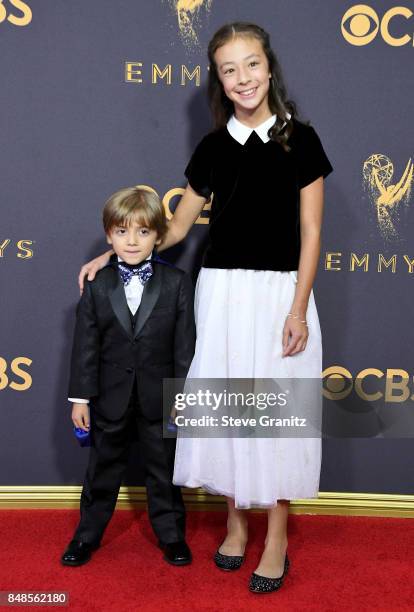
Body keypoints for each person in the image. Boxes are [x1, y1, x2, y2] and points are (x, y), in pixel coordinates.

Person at [79, 22, 333, 593]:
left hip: (279, 295)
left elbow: (313, 232)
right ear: (219, 79)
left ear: (269, 69)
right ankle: (237, 528)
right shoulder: (214, 147)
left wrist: (297, 310)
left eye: (251, 64)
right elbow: (174, 231)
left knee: (277, 419)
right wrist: (111, 257)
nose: (243, 78)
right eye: (229, 69)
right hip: (219, 293)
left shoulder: (303, 141)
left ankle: (276, 539)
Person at [62, 186, 195, 567]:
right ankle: (86, 537)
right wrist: (80, 399)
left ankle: (171, 537)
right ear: (109, 236)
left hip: (160, 399)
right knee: (101, 472)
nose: (132, 241)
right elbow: (85, 347)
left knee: (163, 473)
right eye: (122, 232)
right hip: (110, 398)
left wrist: (182, 399)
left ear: (158, 235)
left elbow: (185, 350)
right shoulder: (97, 284)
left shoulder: (177, 283)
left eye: (142, 232)